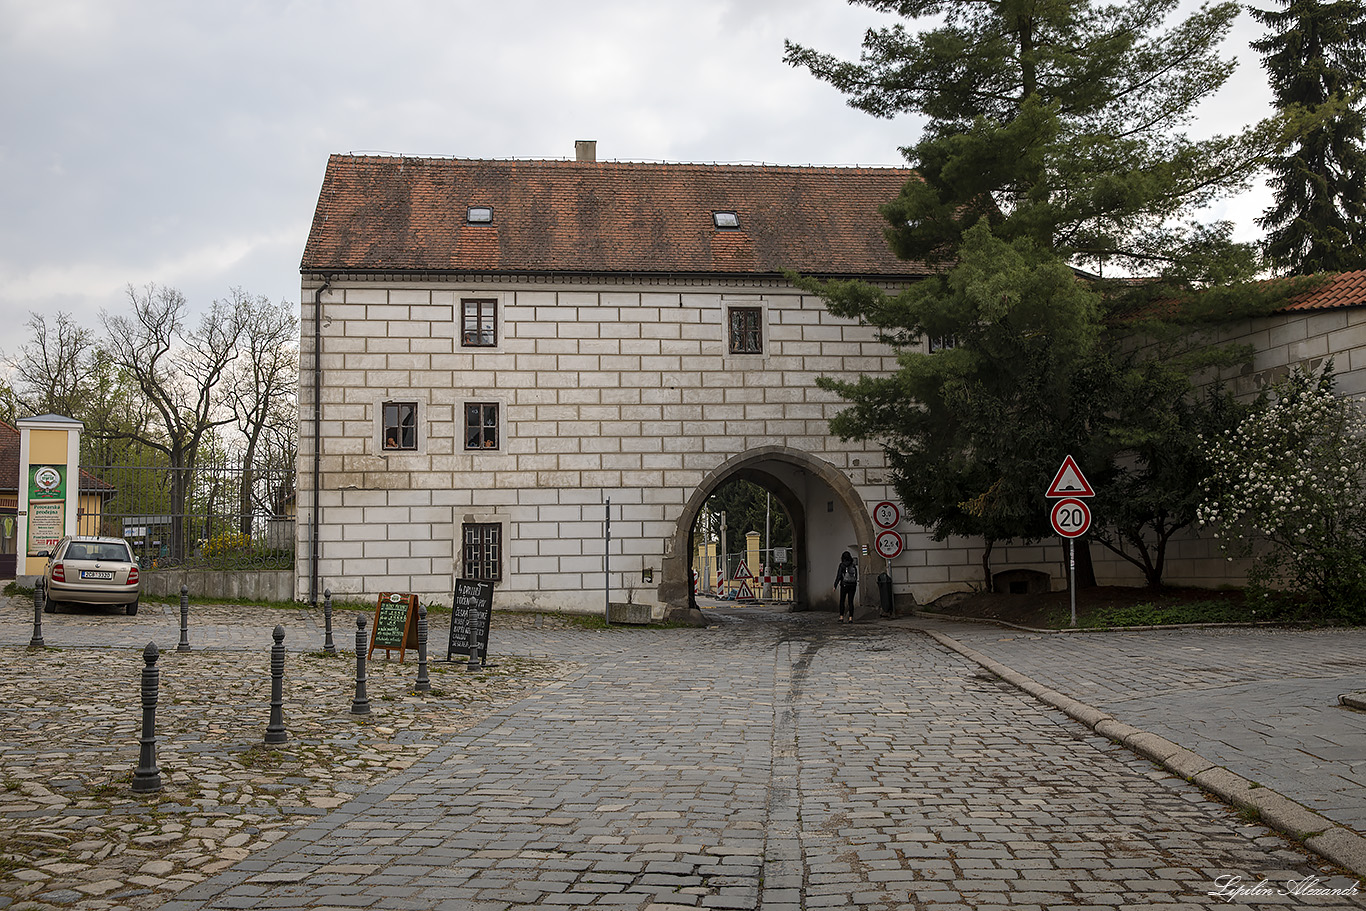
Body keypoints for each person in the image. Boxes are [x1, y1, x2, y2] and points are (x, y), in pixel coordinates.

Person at [834, 551, 858, 623]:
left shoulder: (842, 565)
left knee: (842, 601)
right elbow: (856, 576)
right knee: (851, 601)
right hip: (853, 585)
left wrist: (835, 585)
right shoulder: (853, 565)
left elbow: (839, 576)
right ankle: (850, 618)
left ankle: (841, 617)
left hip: (844, 585)